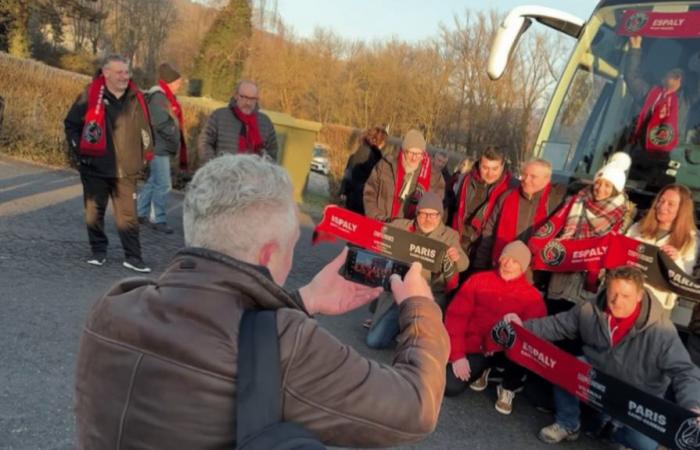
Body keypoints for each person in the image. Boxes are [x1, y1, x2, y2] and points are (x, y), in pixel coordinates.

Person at [74, 154, 450, 448]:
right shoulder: (289, 344)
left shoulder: (115, 306)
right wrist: (420, 308)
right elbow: (415, 408)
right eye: (290, 247)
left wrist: (303, 300)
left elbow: (218, 322)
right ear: (270, 253)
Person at [505, 266, 700, 449]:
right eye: (612, 293)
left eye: (625, 295)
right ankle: (568, 423)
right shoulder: (590, 309)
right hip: (599, 377)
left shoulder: (662, 331)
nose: (617, 301)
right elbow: (557, 325)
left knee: (644, 443)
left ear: (639, 296)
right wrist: (522, 327)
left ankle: (616, 432)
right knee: (566, 367)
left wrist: (694, 405)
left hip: (638, 396)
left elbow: (685, 371)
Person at [64, 54, 154, 273]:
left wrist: (146, 157)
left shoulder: (137, 97)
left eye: (127, 72)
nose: (125, 77)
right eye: (120, 72)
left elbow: (147, 130)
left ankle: (133, 257)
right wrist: (80, 152)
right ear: (106, 73)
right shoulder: (89, 94)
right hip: (95, 165)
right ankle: (98, 251)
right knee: (94, 211)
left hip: (128, 168)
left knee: (128, 216)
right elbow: (71, 124)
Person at [445, 240, 545, 415]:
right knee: (449, 386)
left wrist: (520, 324)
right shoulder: (478, 280)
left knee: (521, 345)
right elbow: (456, 317)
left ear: (523, 267)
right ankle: (483, 370)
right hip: (474, 345)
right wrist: (457, 355)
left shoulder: (532, 296)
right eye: (505, 258)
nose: (507, 264)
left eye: (514, 261)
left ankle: (508, 386)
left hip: (504, 351)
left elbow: (536, 334)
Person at [366, 192, 468, 348]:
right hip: (399, 293)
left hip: (428, 297)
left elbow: (464, 264)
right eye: (424, 214)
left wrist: (456, 257)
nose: (428, 219)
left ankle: (410, 331)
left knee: (417, 348)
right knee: (374, 341)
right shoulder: (401, 226)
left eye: (433, 215)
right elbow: (374, 235)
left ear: (440, 215)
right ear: (417, 213)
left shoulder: (449, 236)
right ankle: (395, 326)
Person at [546, 154, 635, 317]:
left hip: (590, 285)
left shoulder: (624, 217)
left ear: (616, 190)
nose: (600, 189)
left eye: (607, 186)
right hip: (562, 277)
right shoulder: (575, 201)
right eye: (598, 183)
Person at [626, 36, 700, 187]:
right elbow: (631, 77)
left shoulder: (685, 100)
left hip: (671, 160)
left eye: (681, 76)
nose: (678, 77)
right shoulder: (648, 93)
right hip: (642, 158)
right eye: (674, 74)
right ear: (663, 78)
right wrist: (635, 48)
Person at [473, 158, 566, 275]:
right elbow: (489, 232)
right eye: (524, 175)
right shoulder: (506, 197)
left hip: (533, 274)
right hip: (501, 267)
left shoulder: (555, 202)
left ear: (546, 179)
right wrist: (479, 265)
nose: (526, 180)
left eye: (533, 177)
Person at [625, 184, 698, 311]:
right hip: (625, 294)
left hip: (656, 305)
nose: (662, 206)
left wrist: (676, 260)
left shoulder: (691, 240)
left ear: (682, 210)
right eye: (661, 200)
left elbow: (686, 280)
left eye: (671, 204)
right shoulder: (638, 227)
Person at [137, 63, 187, 234]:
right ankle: (158, 219)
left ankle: (141, 213)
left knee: (154, 181)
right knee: (164, 184)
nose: (180, 85)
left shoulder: (163, 96)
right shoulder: (159, 97)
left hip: (159, 146)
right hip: (159, 147)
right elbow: (159, 121)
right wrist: (174, 133)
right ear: (171, 82)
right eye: (178, 82)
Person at [363, 129, 445, 222]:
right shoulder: (386, 165)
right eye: (411, 153)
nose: (414, 157)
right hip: (379, 222)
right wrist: (376, 216)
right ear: (404, 150)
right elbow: (370, 192)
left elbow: (434, 209)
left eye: (419, 154)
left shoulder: (434, 176)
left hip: (409, 231)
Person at [451, 146, 512, 264]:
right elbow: (455, 207)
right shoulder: (466, 180)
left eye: (495, 169)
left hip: (485, 248)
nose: (489, 173)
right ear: (479, 164)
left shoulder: (510, 188)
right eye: (485, 168)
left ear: (503, 166)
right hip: (458, 242)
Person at [197, 80, 278, 163]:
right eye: (244, 97)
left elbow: (272, 153)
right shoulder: (218, 116)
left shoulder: (265, 122)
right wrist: (214, 166)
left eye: (252, 99)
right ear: (236, 96)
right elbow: (205, 142)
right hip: (222, 172)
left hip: (254, 174)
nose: (248, 102)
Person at [338, 126, 388, 214]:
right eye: (383, 141)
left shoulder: (363, 150)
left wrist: (344, 191)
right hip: (360, 197)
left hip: (355, 195)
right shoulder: (370, 155)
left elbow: (348, 173)